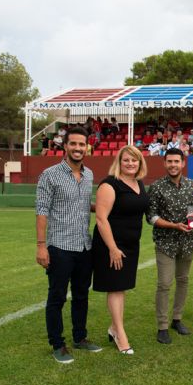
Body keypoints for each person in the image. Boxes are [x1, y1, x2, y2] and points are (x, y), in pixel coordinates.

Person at [35, 126, 102, 364]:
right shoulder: (50, 174)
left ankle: (80, 338)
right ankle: (57, 344)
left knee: (82, 295)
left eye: (81, 144)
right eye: (73, 144)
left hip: (84, 246)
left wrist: (107, 209)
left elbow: (85, 205)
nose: (77, 148)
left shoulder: (90, 175)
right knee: (57, 297)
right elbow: (42, 211)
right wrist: (41, 246)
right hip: (60, 246)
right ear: (65, 146)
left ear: (87, 147)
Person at [92, 145, 149, 355]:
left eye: (134, 160)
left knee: (121, 287)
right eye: (126, 160)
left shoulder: (138, 183)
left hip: (131, 246)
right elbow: (101, 218)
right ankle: (120, 335)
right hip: (111, 246)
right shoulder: (109, 184)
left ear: (140, 163)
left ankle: (114, 327)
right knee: (115, 288)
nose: (130, 164)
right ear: (119, 162)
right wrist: (113, 248)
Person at [146, 148, 193, 344]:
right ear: (165, 163)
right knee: (164, 283)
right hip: (165, 242)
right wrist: (173, 225)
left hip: (187, 242)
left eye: (176, 161)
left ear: (183, 163)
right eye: (169, 161)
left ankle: (177, 319)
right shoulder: (156, 187)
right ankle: (162, 326)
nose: (173, 165)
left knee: (183, 280)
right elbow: (151, 216)